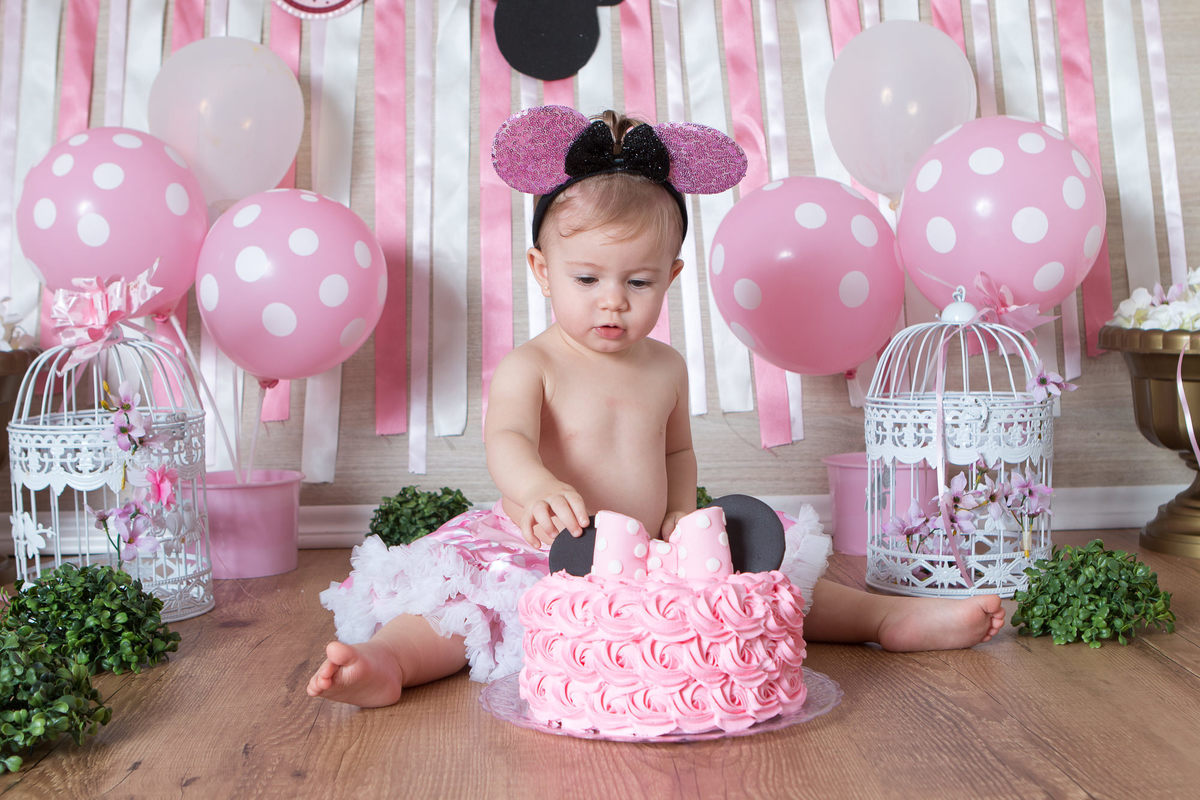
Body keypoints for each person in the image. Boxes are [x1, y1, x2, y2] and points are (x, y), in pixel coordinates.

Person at [307, 107, 1004, 708]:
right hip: (547, 548)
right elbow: (509, 439)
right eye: (587, 278)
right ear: (542, 270)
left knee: (766, 580)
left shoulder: (665, 366)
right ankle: (389, 664)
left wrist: (677, 508)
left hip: (655, 548)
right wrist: (537, 486)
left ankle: (883, 619)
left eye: (639, 281)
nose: (613, 299)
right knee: (464, 607)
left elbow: (675, 450)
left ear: (671, 275)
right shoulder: (535, 364)